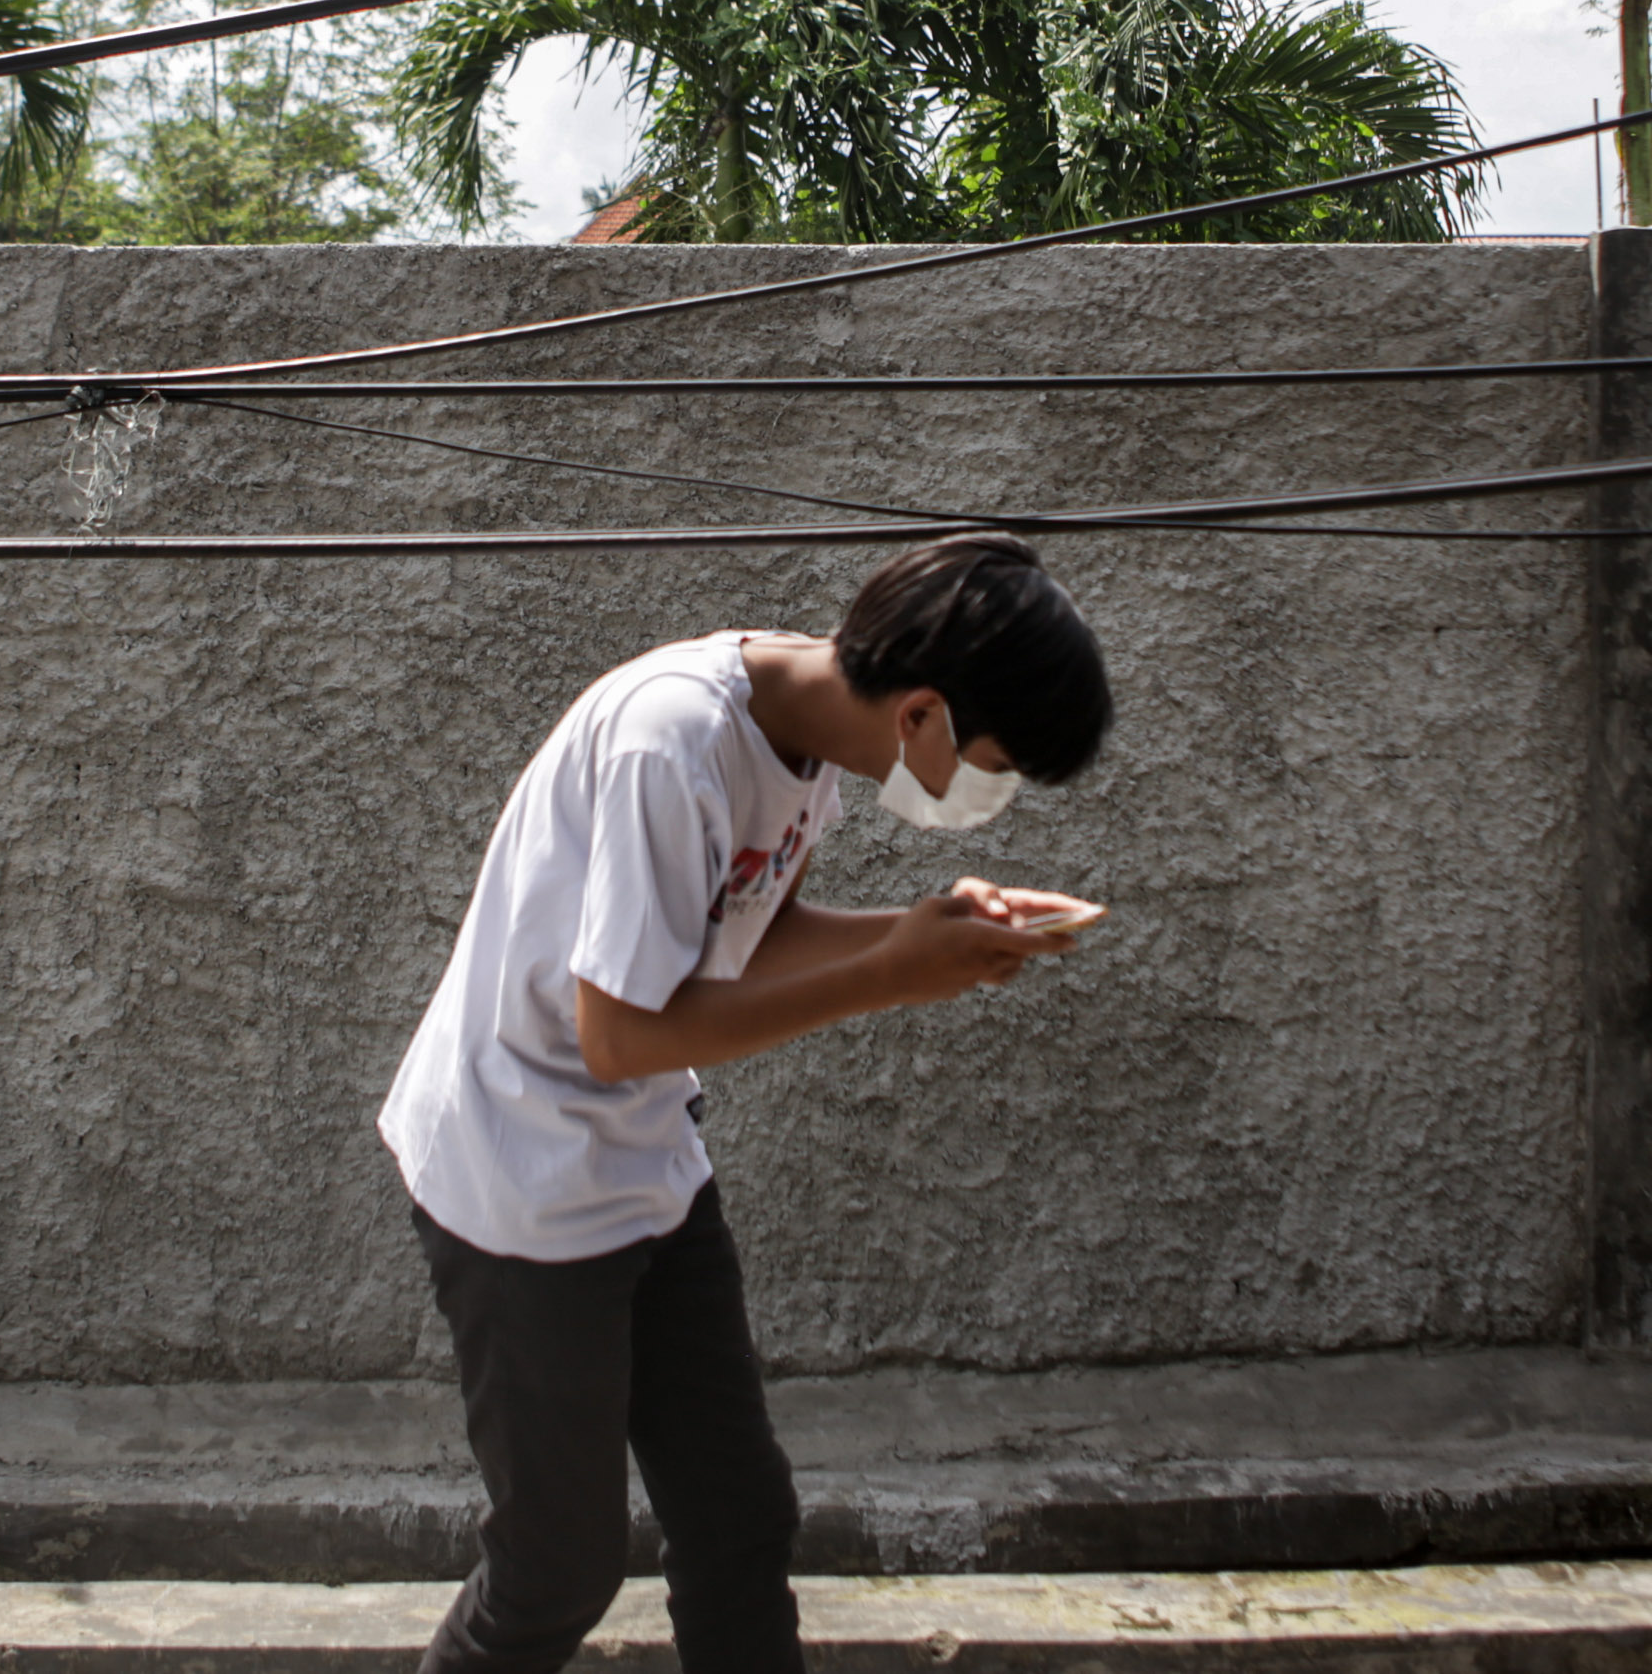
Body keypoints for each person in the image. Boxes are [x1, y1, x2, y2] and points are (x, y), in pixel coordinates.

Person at [379, 532, 1115, 1674]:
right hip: (518, 1175)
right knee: (555, 1571)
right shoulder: (674, 743)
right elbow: (617, 1033)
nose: (993, 796)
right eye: (997, 764)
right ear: (923, 713)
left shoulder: (804, 745)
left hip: (643, 1161)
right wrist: (887, 978)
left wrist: (929, 935)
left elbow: (743, 934)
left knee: (738, 1520)